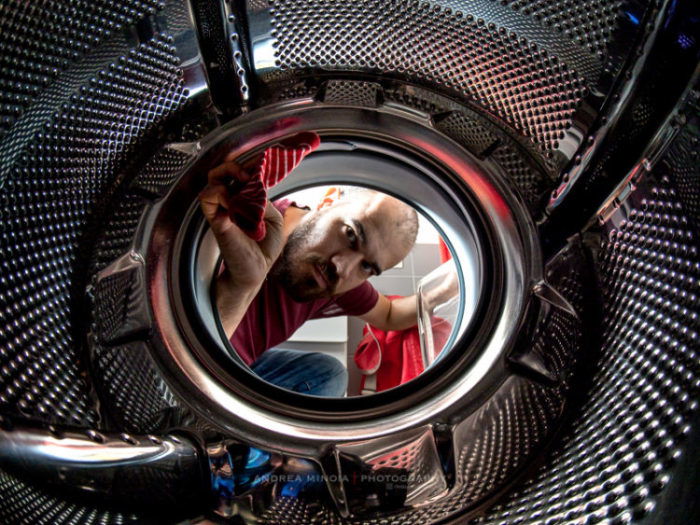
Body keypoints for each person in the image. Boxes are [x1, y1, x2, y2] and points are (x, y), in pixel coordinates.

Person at [199, 160, 421, 396]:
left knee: (328, 373)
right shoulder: (241, 219)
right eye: (350, 234)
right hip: (207, 358)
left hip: (239, 363)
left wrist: (449, 286)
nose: (342, 268)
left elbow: (390, 315)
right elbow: (185, 364)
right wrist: (242, 286)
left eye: (367, 266)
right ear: (326, 202)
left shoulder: (337, 281)